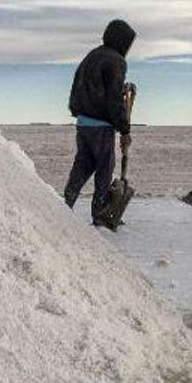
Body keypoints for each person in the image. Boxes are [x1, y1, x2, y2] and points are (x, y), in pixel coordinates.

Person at [64, 19, 136, 227]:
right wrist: (124, 129)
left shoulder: (92, 55)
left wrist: (77, 111)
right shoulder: (116, 61)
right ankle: (100, 214)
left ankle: (65, 203)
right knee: (105, 168)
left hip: (83, 123)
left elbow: (79, 85)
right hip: (101, 126)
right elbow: (113, 99)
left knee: (83, 165)